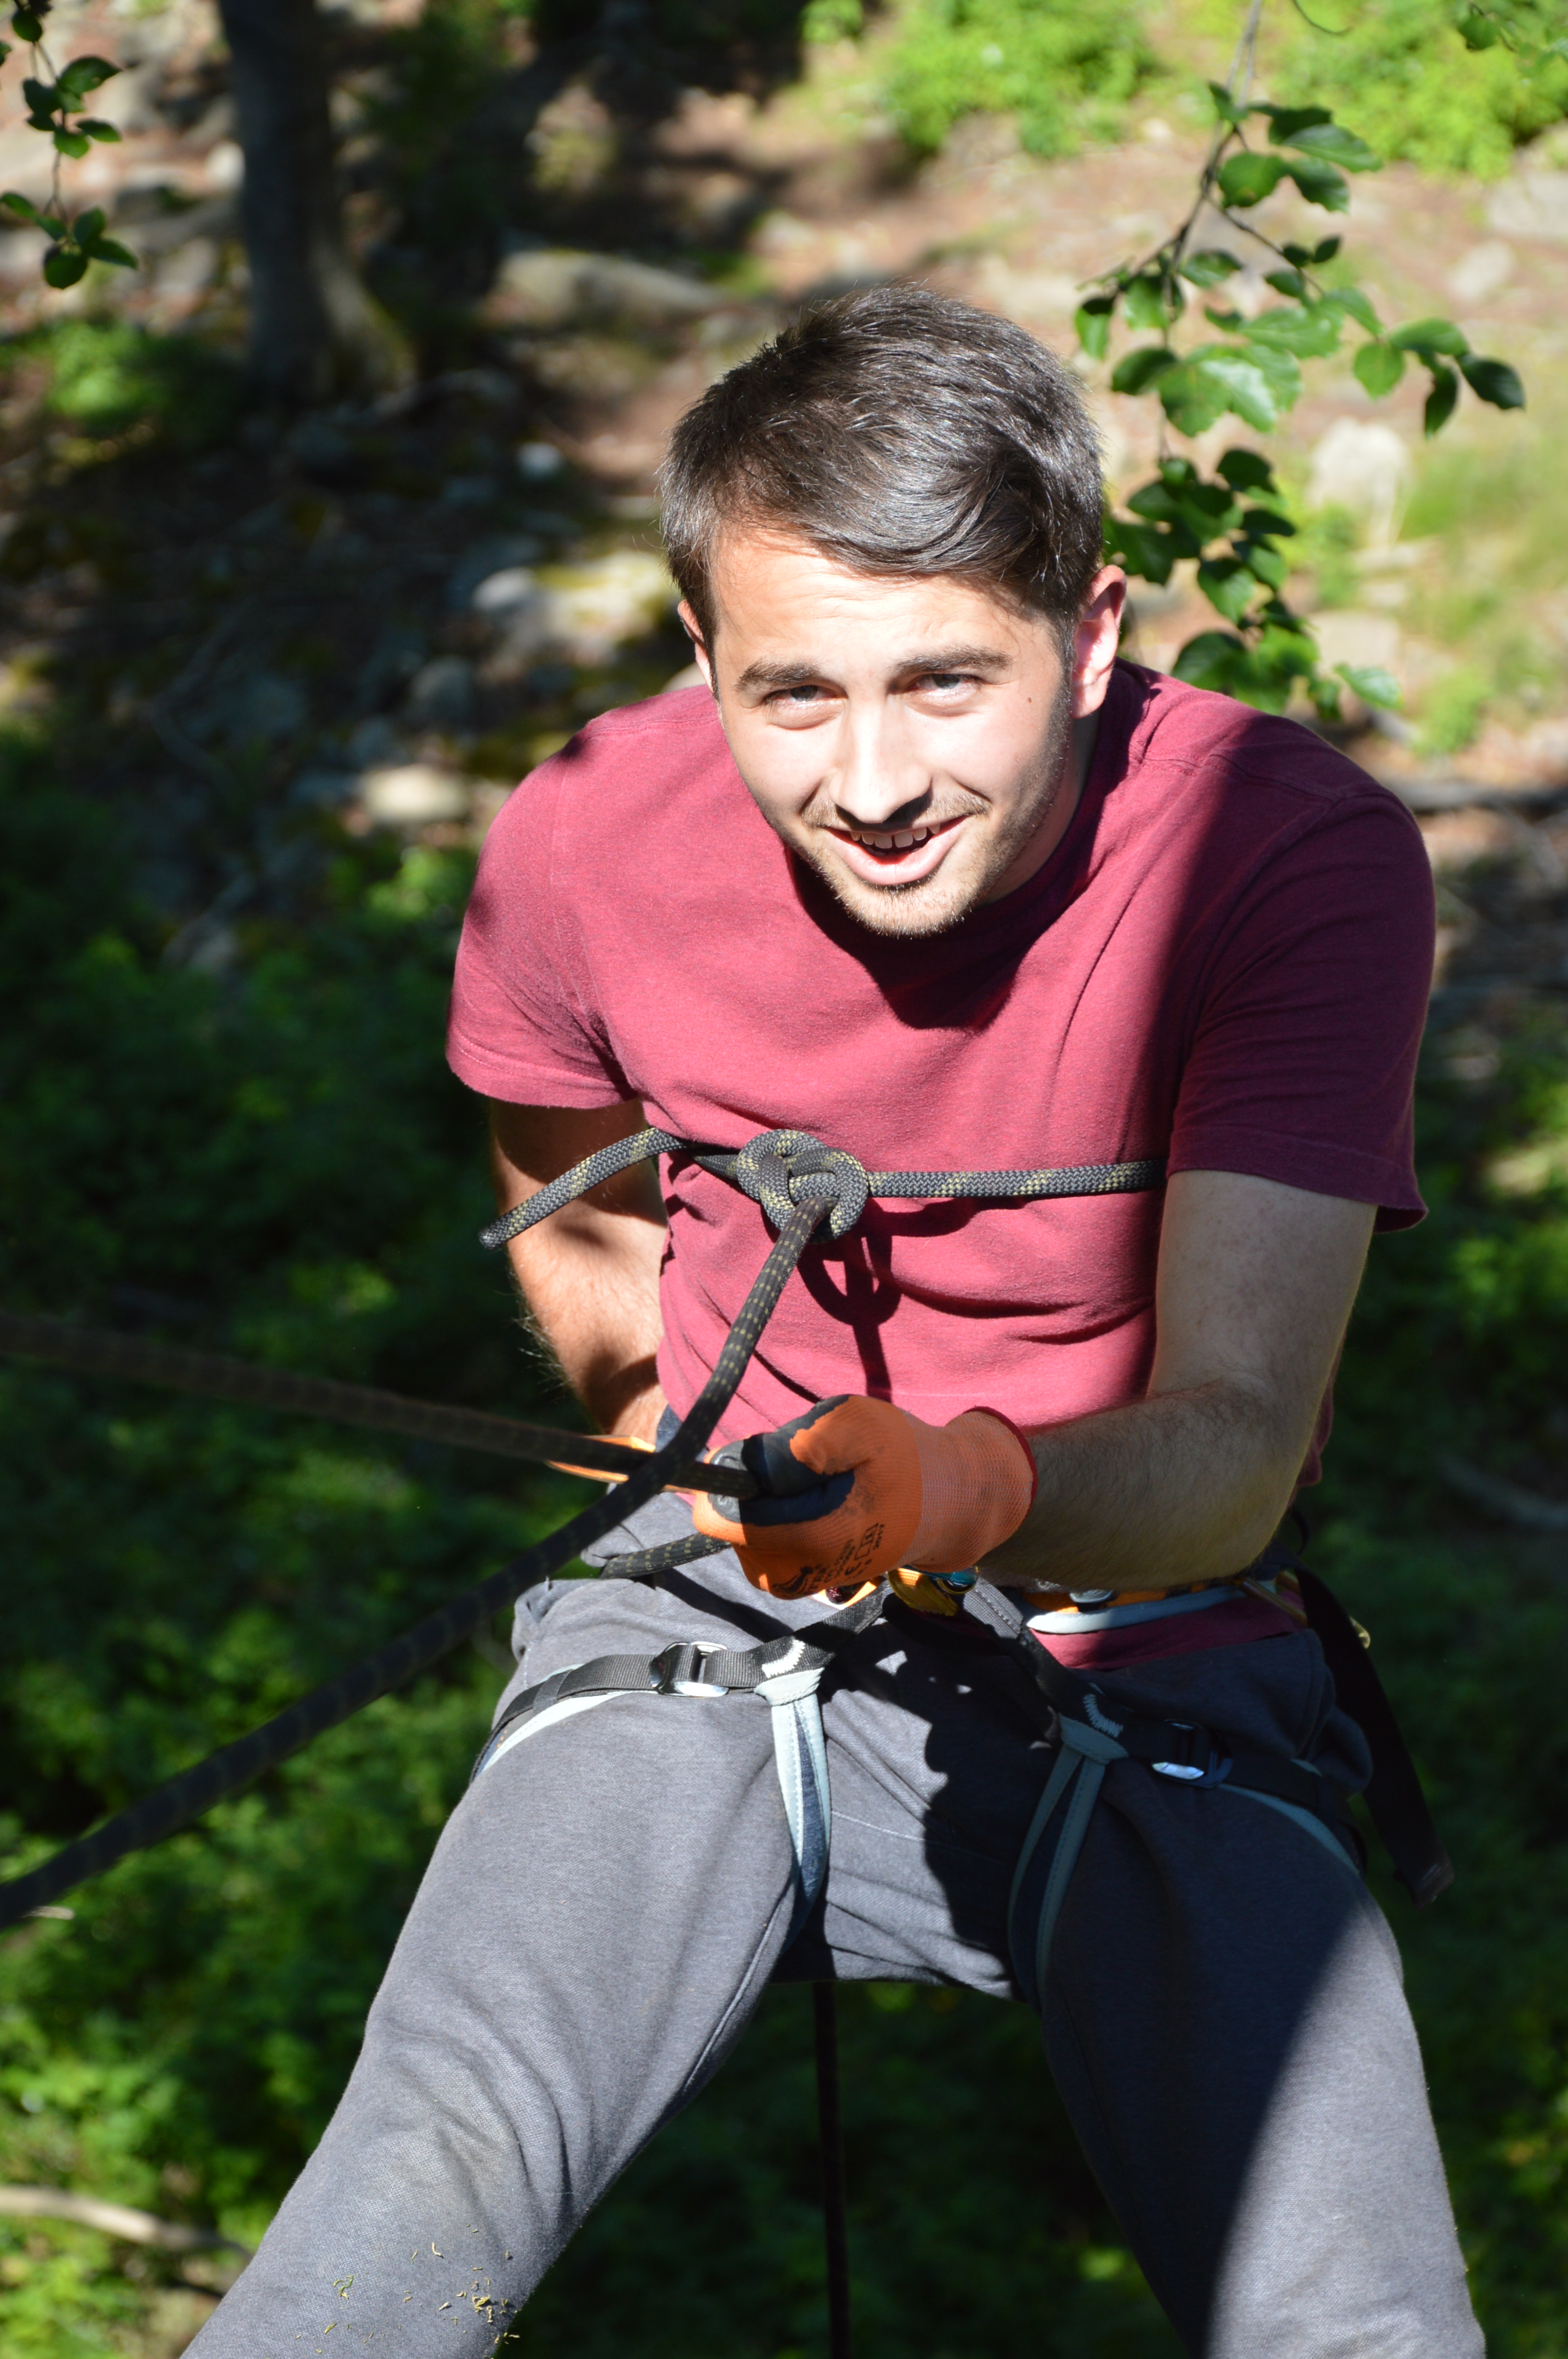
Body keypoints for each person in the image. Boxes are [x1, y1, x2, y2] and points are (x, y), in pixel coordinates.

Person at [190, 287, 1480, 2357]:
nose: (872, 780)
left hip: (1140, 1625)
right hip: (707, 1602)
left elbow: (1238, 1443)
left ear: (1090, 633)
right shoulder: (588, 839)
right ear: (699, 653)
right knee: (402, 2209)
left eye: (945, 682)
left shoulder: (1283, 859)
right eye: (794, 695)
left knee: (1360, 2323)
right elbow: (567, 1190)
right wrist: (662, 1433)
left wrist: (961, 1487)